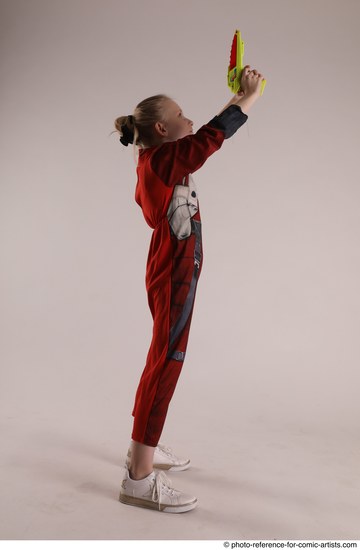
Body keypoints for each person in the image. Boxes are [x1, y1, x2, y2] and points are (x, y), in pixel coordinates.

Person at [114, 65, 265, 513]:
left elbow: (203, 136)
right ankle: (138, 479)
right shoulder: (164, 159)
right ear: (162, 128)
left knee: (161, 356)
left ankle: (143, 444)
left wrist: (235, 98)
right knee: (167, 361)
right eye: (181, 114)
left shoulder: (155, 159)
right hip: (174, 270)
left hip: (168, 265)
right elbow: (213, 136)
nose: (189, 118)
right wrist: (251, 97)